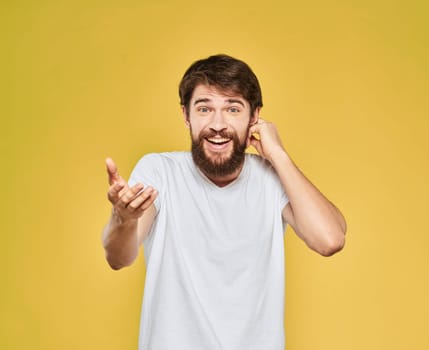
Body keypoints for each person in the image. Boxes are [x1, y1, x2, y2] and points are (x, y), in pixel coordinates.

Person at [102, 54, 346, 350]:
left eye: (233, 108)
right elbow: (119, 257)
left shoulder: (271, 177)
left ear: (254, 117)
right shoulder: (160, 171)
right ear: (186, 115)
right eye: (204, 108)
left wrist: (279, 155)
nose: (217, 124)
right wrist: (123, 219)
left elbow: (330, 239)